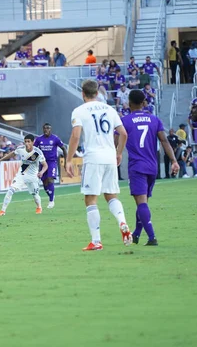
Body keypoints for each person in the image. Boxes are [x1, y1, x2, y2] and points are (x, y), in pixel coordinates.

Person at [65, 79, 130, 251]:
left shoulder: (79, 111)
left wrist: (69, 159)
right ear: (97, 93)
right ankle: (122, 221)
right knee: (111, 195)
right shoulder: (110, 109)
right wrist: (118, 152)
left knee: (91, 198)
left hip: (93, 158)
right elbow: (123, 133)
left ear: (83, 94)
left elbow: (76, 136)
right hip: (110, 157)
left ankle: (96, 241)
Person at [121, 90, 179, 246]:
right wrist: (174, 160)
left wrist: (115, 156)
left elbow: (115, 141)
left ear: (130, 103)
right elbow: (165, 141)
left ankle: (152, 237)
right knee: (143, 202)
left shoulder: (124, 121)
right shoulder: (154, 119)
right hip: (152, 167)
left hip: (137, 166)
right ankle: (137, 234)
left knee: (141, 203)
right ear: (144, 102)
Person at [0, 134, 47, 216]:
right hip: (21, 174)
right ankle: (2, 210)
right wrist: (0, 160)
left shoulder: (37, 152)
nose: (26, 143)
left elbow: (45, 165)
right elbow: (12, 154)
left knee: (35, 194)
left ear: (33, 142)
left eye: (28, 142)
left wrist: (41, 172)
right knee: (10, 190)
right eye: (25, 141)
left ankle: (39, 207)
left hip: (32, 176)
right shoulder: (20, 149)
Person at [33, 123, 67, 208]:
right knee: (45, 183)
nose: (46, 130)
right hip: (42, 162)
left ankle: (51, 201)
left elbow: (63, 148)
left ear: (50, 129)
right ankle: (51, 194)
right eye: (44, 128)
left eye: (48, 128)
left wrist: (66, 161)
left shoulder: (55, 138)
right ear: (42, 129)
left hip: (52, 162)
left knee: (50, 179)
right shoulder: (39, 139)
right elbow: (34, 150)